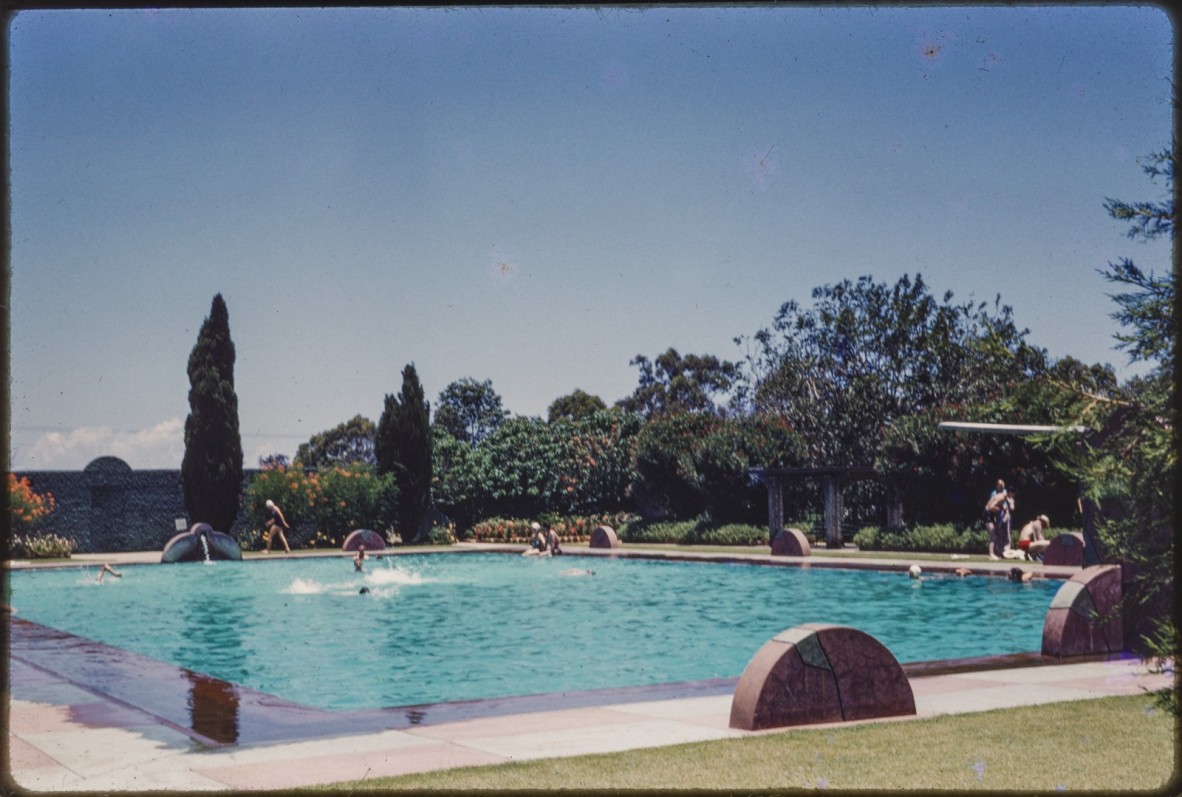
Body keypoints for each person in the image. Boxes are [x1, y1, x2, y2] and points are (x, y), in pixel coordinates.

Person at [984, 485, 1015, 561]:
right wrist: (1000, 509)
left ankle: (994, 553)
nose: (1013, 496)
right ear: (1010, 493)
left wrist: (1002, 507)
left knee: (994, 534)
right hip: (988, 515)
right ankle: (991, 554)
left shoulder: (1001, 496)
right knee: (993, 535)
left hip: (989, 515)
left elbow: (996, 503)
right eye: (1013, 494)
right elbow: (991, 507)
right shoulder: (1002, 497)